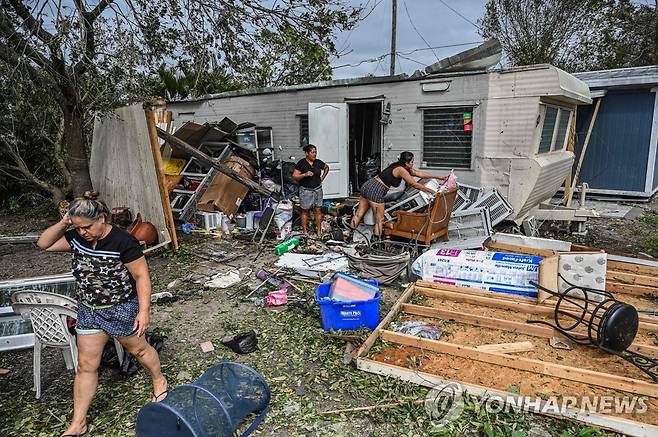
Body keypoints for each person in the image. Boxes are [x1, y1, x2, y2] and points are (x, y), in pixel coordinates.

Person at [36, 192, 167, 437]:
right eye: (78, 227)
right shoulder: (75, 237)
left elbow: (141, 277)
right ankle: (79, 424)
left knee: (139, 350)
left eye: (87, 226)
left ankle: (159, 379)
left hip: (120, 308)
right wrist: (65, 223)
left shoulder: (123, 241)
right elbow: (43, 244)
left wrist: (144, 311)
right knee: (86, 365)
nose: (83, 232)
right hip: (89, 310)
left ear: (102, 218)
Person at [351, 151, 447, 237]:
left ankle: (350, 236)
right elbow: (414, 184)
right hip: (376, 190)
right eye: (412, 162)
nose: (413, 163)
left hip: (368, 185)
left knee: (359, 214)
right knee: (379, 220)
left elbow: (420, 174)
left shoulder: (400, 166)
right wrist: (431, 191)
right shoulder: (401, 170)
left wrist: (439, 177)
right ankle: (377, 243)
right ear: (406, 163)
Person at [292, 144, 330, 236]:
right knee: (305, 210)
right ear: (307, 153)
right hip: (305, 190)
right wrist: (304, 174)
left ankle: (318, 231)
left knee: (318, 210)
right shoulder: (301, 163)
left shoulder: (318, 162)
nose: (315, 154)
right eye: (312, 152)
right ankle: (305, 231)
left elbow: (326, 167)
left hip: (317, 189)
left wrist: (322, 178)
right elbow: (294, 176)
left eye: (315, 152)